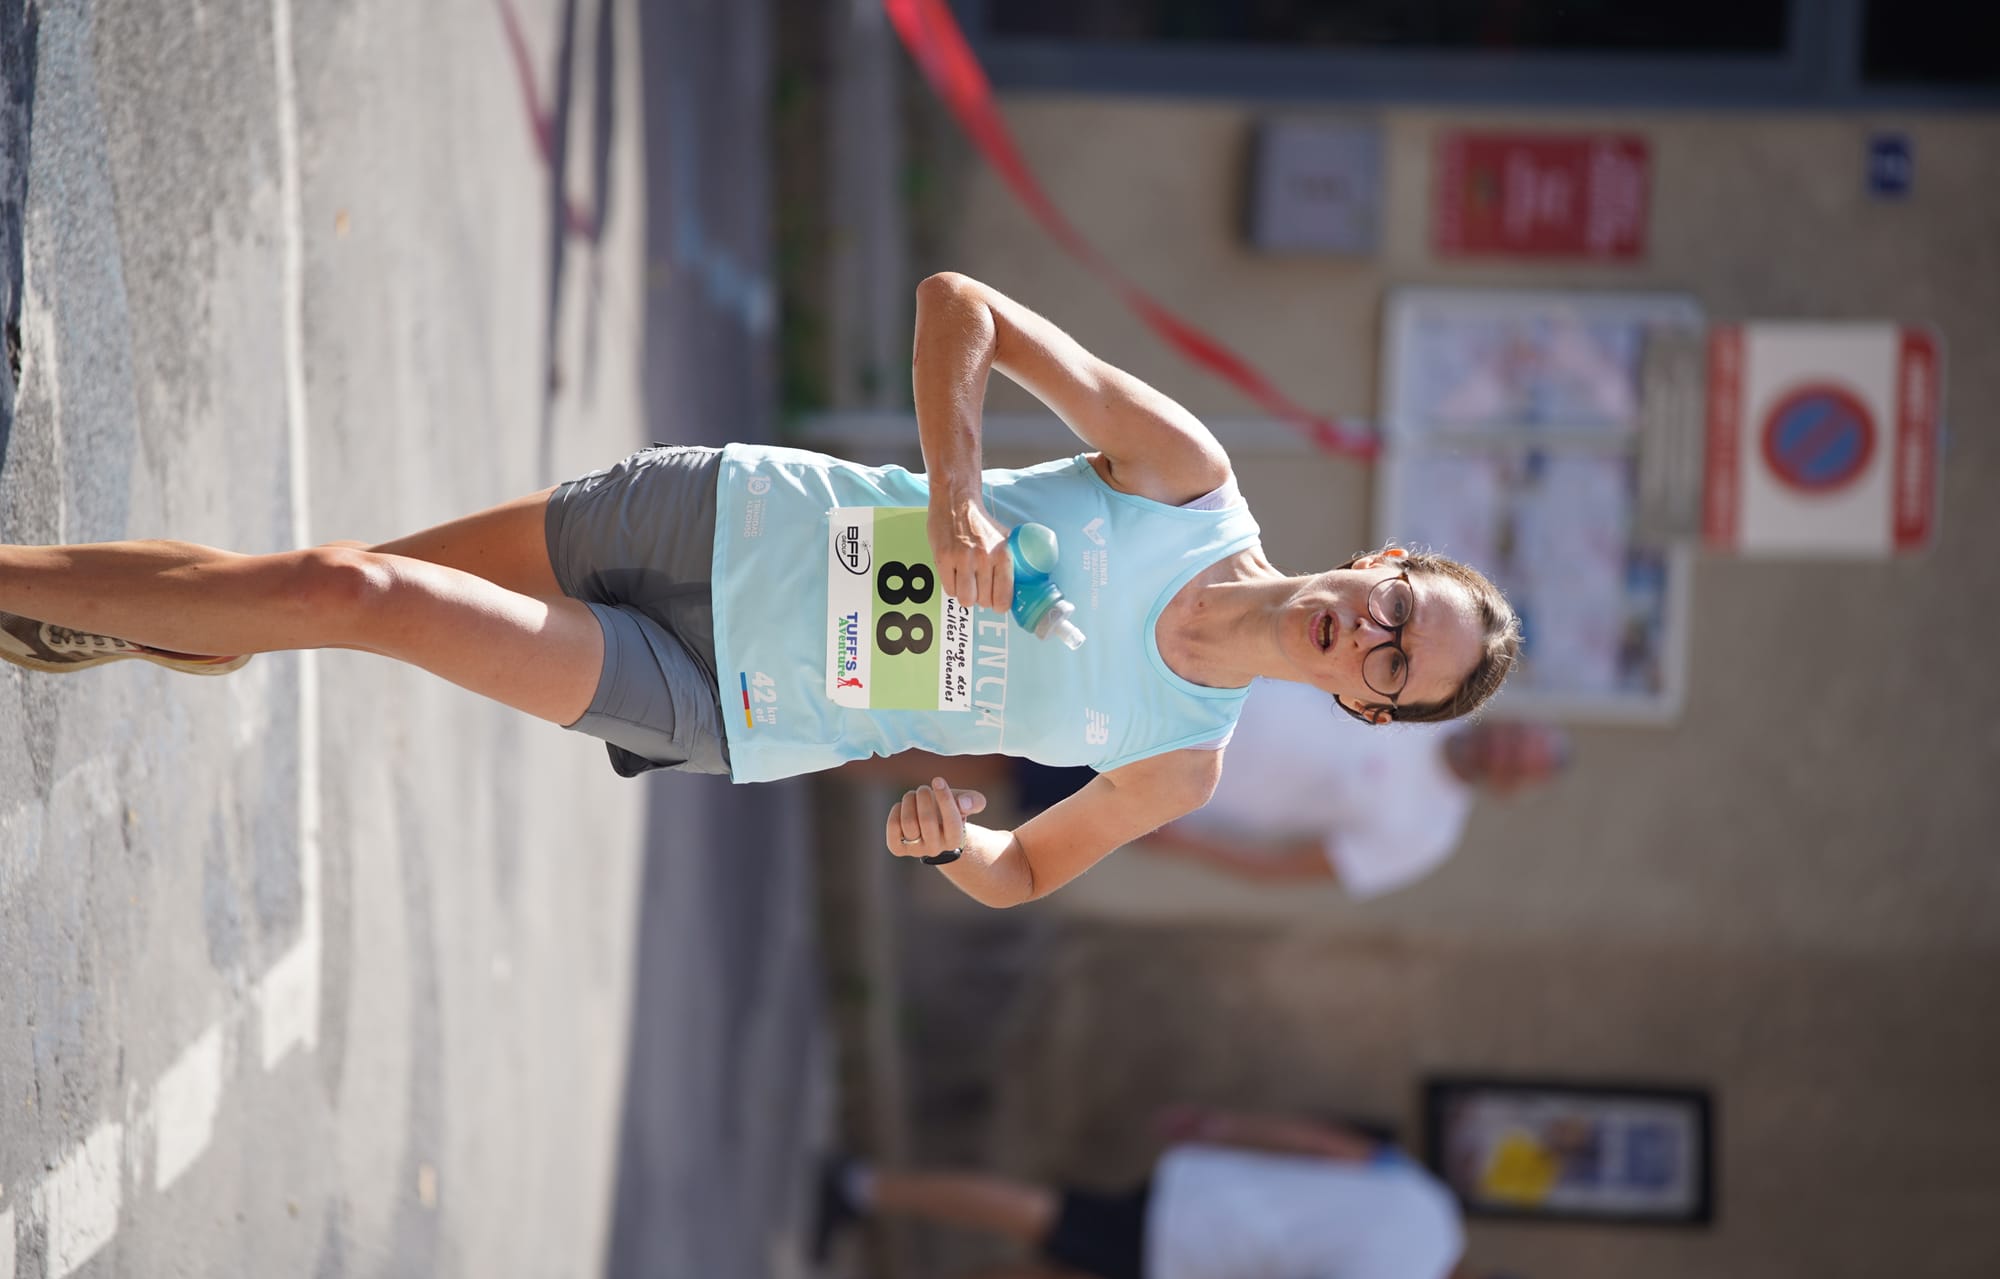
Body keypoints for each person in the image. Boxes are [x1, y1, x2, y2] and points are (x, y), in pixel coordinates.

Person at [0, 273, 1518, 906]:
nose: (1373, 636)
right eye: (1399, 608)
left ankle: (111, 609)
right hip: (721, 518)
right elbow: (961, 311)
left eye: (1396, 667)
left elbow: (1028, 872)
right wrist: (957, 490)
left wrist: (958, 841)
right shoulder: (1186, 480)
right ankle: (155, 623)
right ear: (1382, 561)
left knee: (356, 597)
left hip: (736, 700)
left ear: (1370, 709)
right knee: (325, 578)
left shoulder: (1182, 761)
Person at [815, 1106, 1540, 1279]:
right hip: (1196, 1248)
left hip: (1206, 1191)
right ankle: (862, 1188)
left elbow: (1325, 1144)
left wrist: (1223, 1126)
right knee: (1039, 1216)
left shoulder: (1435, 1209)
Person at [842, 685, 1570, 898]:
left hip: (1165, 777)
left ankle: (826, 749)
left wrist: (1187, 845)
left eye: (1518, 764)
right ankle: (836, 709)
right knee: (985, 701)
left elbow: (1297, 867)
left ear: (1510, 788)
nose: (1504, 751)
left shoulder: (1428, 830)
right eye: (1517, 737)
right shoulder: (1429, 692)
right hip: (1173, 688)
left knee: (989, 759)